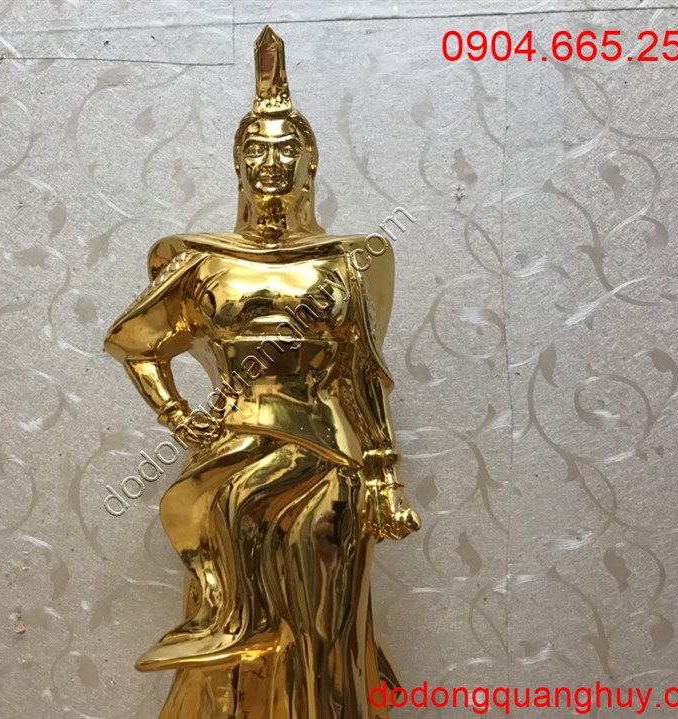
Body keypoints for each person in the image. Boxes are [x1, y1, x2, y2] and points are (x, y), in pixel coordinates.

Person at [103, 26, 421, 719]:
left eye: (284, 149)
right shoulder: (202, 262)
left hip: (330, 457)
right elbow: (134, 343)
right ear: (237, 164)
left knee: (324, 620)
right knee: (239, 636)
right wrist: (177, 415)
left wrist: (385, 478)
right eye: (255, 149)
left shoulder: (350, 260)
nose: (269, 162)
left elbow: (364, 375)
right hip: (232, 460)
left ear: (311, 162)